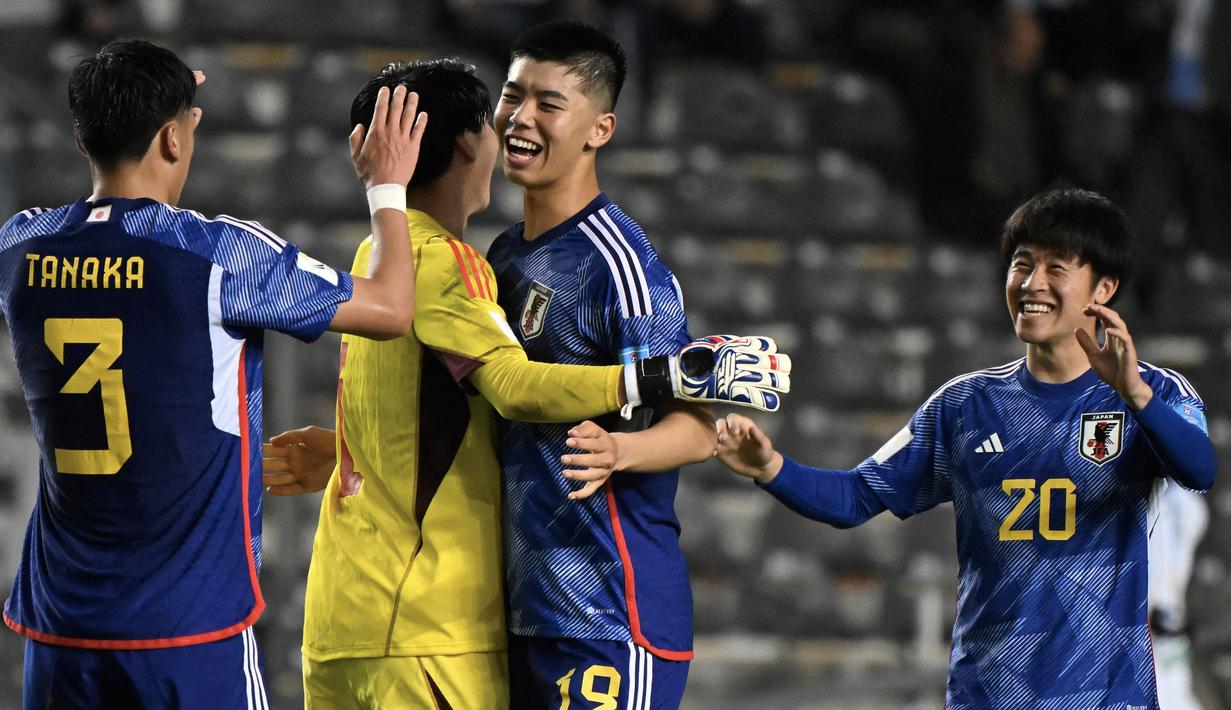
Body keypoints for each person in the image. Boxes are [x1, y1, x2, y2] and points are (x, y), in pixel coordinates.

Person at [261, 59, 788, 709]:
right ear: (467, 145)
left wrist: (349, 446)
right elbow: (511, 385)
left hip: (345, 622)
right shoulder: (448, 262)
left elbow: (428, 403)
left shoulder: (379, 255)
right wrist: (662, 376)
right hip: (428, 629)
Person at [0, 38, 428, 709]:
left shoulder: (20, 244)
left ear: (82, 140)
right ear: (173, 139)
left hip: (62, 629)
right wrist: (388, 184)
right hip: (188, 629)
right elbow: (393, 308)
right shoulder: (218, 253)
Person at [715, 188, 1216, 708]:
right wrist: (770, 467)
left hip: (1107, 697)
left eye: (1056, 268)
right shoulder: (963, 405)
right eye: (1022, 265)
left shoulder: (1156, 394)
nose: (1032, 284)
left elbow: (1199, 470)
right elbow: (857, 497)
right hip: (987, 695)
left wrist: (1135, 395)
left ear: (1103, 288)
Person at [486, 20, 727, 709]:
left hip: (608, 614)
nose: (520, 118)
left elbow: (696, 429)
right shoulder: (503, 256)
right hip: (521, 610)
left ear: (600, 129)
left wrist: (619, 447)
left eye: (548, 104)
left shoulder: (620, 269)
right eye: (513, 95)